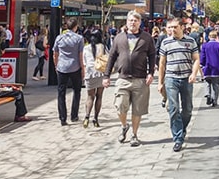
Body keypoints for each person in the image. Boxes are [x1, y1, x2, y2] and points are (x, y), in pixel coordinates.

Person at [103, 11, 156, 147]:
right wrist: (106, 76)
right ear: (127, 22)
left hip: (140, 79)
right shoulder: (119, 38)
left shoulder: (146, 38)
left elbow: (152, 55)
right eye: (131, 20)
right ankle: (124, 125)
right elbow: (112, 57)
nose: (133, 23)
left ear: (139, 23)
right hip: (123, 78)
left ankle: (134, 134)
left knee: (137, 109)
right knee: (120, 106)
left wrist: (151, 73)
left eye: (136, 21)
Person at [158, 18, 200, 152]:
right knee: (174, 108)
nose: (172, 30)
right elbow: (162, 63)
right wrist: (160, 82)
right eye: (170, 27)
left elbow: (196, 59)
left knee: (187, 109)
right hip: (171, 78)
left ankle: (181, 128)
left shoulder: (190, 41)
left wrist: (194, 74)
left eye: (175, 27)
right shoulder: (165, 42)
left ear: (182, 27)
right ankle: (177, 138)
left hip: (186, 79)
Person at [53, 18, 85, 127]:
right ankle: (74, 115)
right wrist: (82, 68)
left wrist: (56, 65)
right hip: (75, 67)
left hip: (62, 67)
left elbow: (55, 54)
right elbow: (80, 56)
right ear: (76, 27)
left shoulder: (59, 38)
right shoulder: (79, 38)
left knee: (61, 93)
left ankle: (62, 117)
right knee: (77, 91)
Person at [82, 31, 107, 127]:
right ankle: (95, 118)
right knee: (99, 96)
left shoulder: (86, 48)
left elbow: (84, 62)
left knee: (90, 97)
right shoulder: (102, 47)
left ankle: (87, 117)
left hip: (90, 74)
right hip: (100, 73)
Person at [200, 29, 219, 107]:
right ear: (216, 37)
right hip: (217, 68)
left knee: (207, 81)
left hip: (207, 67)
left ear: (209, 37)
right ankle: (214, 100)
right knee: (216, 85)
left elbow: (203, 56)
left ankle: (208, 94)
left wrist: (202, 64)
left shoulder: (205, 45)